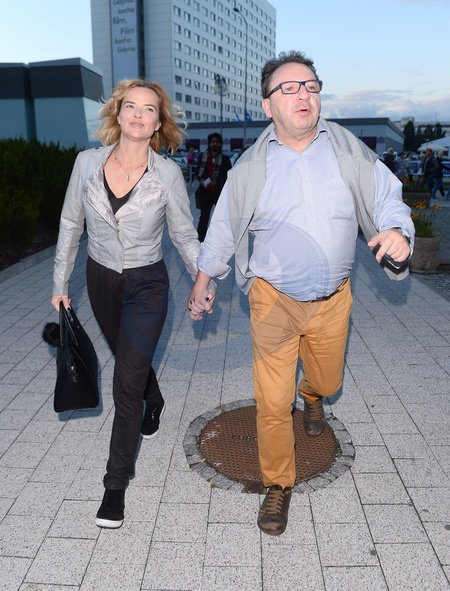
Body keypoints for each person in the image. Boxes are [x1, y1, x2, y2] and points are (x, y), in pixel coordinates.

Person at [187, 51, 414, 536]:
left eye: (310, 85)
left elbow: (387, 197)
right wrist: (204, 280)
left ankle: (312, 394)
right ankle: (277, 484)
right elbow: (223, 228)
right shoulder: (250, 169)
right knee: (272, 402)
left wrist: (398, 230)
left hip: (334, 299)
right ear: (267, 106)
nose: (303, 94)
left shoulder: (349, 151)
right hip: (273, 300)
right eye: (288, 88)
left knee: (327, 380)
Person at [51, 79, 214, 529]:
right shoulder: (86, 163)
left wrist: (203, 280)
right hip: (100, 278)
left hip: (147, 283)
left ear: (158, 123)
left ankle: (115, 486)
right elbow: (70, 225)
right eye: (131, 107)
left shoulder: (168, 174)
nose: (139, 115)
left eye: (149, 109)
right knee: (130, 361)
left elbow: (184, 234)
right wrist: (60, 282)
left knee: (125, 384)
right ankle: (154, 398)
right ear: (118, 113)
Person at [195, 133, 232, 241]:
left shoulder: (225, 159)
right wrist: (201, 179)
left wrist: (217, 182)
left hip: (219, 192)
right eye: (212, 142)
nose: (214, 144)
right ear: (209, 144)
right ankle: (201, 239)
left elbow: (228, 174)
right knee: (204, 216)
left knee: (222, 217)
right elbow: (198, 171)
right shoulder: (203, 157)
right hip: (205, 192)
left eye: (217, 142)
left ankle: (222, 238)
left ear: (220, 144)